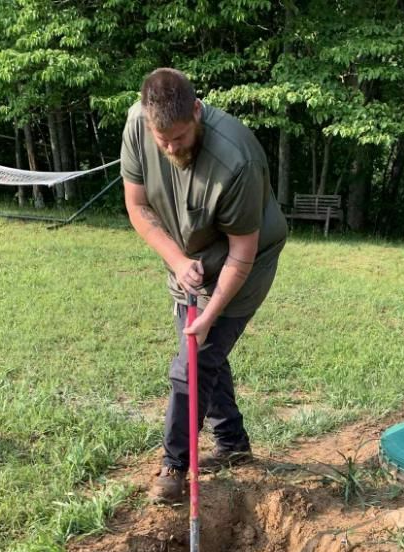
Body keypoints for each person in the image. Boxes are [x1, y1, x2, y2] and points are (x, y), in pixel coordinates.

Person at [121, 68, 288, 503]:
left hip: (243, 263)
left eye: (179, 137)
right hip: (186, 259)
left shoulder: (237, 159)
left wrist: (211, 315)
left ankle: (174, 465)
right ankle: (232, 443)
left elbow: (241, 253)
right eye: (163, 140)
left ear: (197, 111)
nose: (170, 147)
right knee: (204, 357)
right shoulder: (138, 125)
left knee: (192, 363)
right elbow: (137, 206)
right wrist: (177, 261)